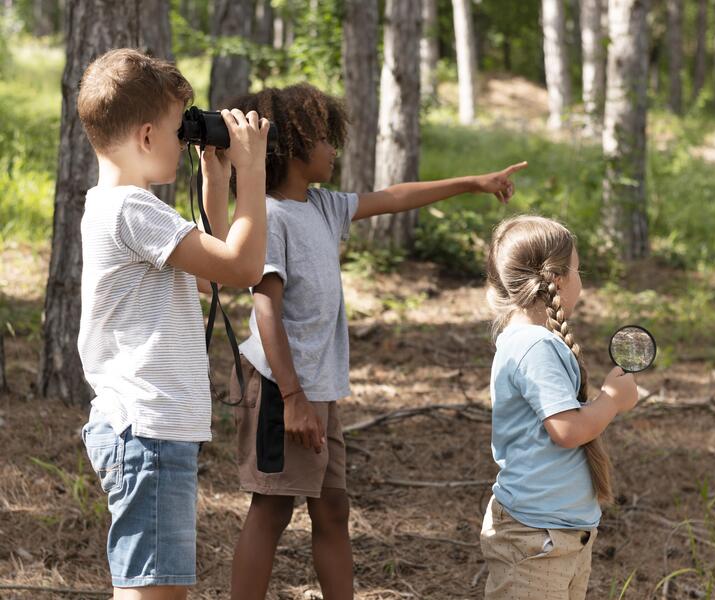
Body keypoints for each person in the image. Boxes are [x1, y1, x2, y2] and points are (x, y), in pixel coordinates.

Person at [226, 83, 527, 600]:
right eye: (325, 138)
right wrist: (293, 397)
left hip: (317, 389)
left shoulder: (320, 206)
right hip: (282, 388)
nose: (334, 149)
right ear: (295, 146)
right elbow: (265, 307)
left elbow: (394, 197)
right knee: (272, 508)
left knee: (332, 507)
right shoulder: (270, 216)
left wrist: (473, 183)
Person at [76, 47, 269, 599]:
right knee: (154, 593)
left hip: (146, 428)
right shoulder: (133, 209)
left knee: (154, 589)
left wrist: (216, 183)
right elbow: (244, 268)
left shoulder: (117, 206)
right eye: (176, 129)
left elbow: (209, 278)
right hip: (147, 429)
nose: (184, 140)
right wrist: (252, 172)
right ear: (145, 136)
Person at [480, 214, 639, 600]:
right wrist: (611, 400)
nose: (581, 280)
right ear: (557, 279)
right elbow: (567, 430)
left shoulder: (528, 339)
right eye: (578, 270)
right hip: (535, 539)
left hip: (559, 533)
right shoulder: (535, 346)